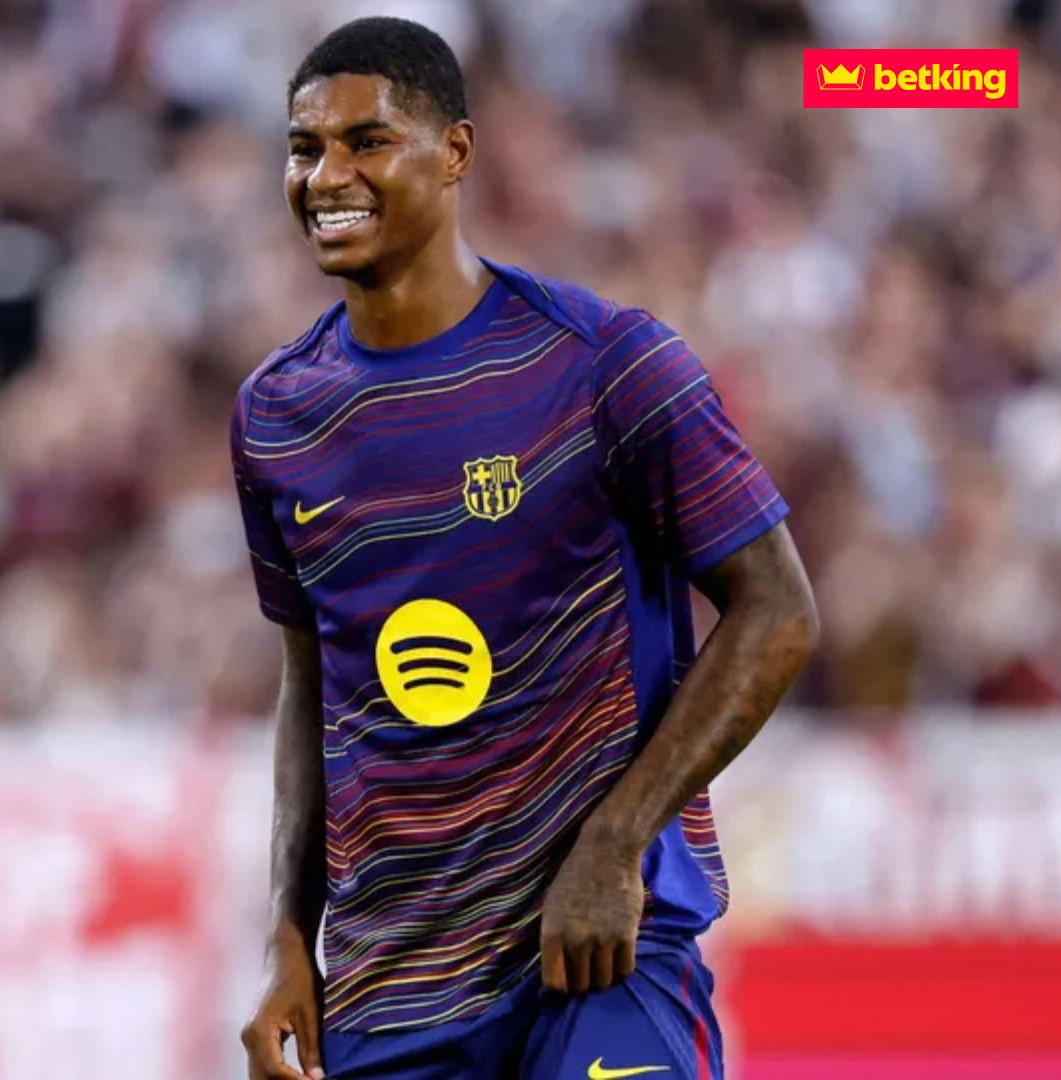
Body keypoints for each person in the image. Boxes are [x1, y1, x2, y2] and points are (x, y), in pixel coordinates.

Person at [232, 16, 818, 1080]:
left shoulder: (604, 365)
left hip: (599, 950)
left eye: (367, 141)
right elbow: (311, 682)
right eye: (304, 148)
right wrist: (285, 932)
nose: (327, 177)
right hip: (392, 988)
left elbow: (778, 609)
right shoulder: (277, 416)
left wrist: (617, 839)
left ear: (455, 152)